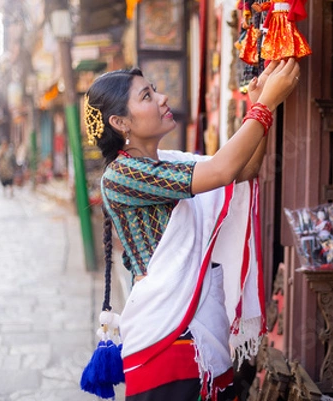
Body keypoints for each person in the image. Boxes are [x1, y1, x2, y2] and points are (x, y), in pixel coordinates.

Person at [83, 58, 300, 400]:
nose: (163, 98)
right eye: (147, 96)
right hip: (166, 341)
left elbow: (240, 171)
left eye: (154, 90)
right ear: (120, 122)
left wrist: (260, 105)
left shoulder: (169, 163)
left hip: (195, 331)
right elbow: (222, 171)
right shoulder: (121, 176)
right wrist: (264, 106)